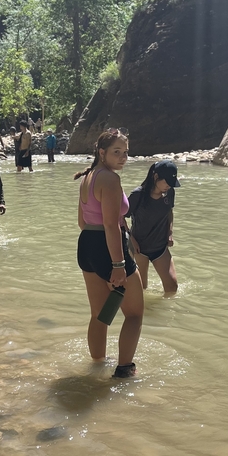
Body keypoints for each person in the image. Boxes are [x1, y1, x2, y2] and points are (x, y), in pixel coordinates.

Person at [75, 129, 144, 378]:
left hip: (87, 246)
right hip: (108, 248)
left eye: (125, 152)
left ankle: (97, 365)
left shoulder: (87, 177)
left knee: (99, 314)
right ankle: (125, 370)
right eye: (117, 152)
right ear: (101, 152)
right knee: (134, 314)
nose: (123, 157)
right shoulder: (110, 180)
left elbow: (82, 223)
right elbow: (111, 225)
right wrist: (118, 264)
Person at [127, 160, 179, 295]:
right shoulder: (137, 195)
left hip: (160, 247)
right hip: (139, 248)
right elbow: (119, 218)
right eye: (166, 182)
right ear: (155, 177)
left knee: (172, 287)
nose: (169, 186)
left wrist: (170, 233)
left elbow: (169, 212)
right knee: (141, 289)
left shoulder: (169, 193)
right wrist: (131, 240)